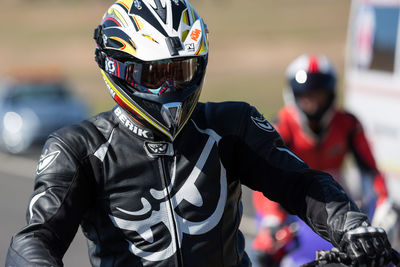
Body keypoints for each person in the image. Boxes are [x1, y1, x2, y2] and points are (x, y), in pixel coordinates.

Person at [6, 2, 396, 266]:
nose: (171, 87)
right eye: (156, 74)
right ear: (117, 68)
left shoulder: (232, 124)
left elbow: (301, 184)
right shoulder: (78, 148)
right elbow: (34, 239)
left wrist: (351, 225)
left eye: (182, 71)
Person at [252, 54, 398, 266]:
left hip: (336, 205)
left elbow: (371, 172)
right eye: (306, 96)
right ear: (294, 95)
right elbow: (263, 179)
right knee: (267, 254)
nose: (312, 103)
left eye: (318, 95)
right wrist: (271, 219)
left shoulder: (348, 124)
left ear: (330, 94)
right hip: (289, 209)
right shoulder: (280, 129)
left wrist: (385, 203)